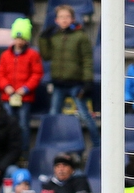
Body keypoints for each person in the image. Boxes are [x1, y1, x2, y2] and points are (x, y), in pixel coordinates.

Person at [39, 4, 99, 146]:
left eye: (67, 17)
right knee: (53, 115)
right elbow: (46, 56)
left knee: (85, 115)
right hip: (58, 84)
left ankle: (97, 144)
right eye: (61, 17)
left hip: (76, 84)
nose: (64, 20)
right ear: (56, 20)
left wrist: (87, 82)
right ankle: (51, 143)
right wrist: (43, 39)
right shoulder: (54, 37)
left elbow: (87, 60)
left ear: (72, 19)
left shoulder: (81, 36)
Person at [0, 18, 43, 155]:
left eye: (22, 38)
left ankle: (23, 151)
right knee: (8, 123)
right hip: (8, 96)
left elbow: (37, 74)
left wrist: (26, 89)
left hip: (25, 97)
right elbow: (0, 74)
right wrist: (6, 87)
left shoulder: (33, 55)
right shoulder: (5, 55)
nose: (19, 41)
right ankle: (9, 149)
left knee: (23, 124)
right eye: (17, 38)